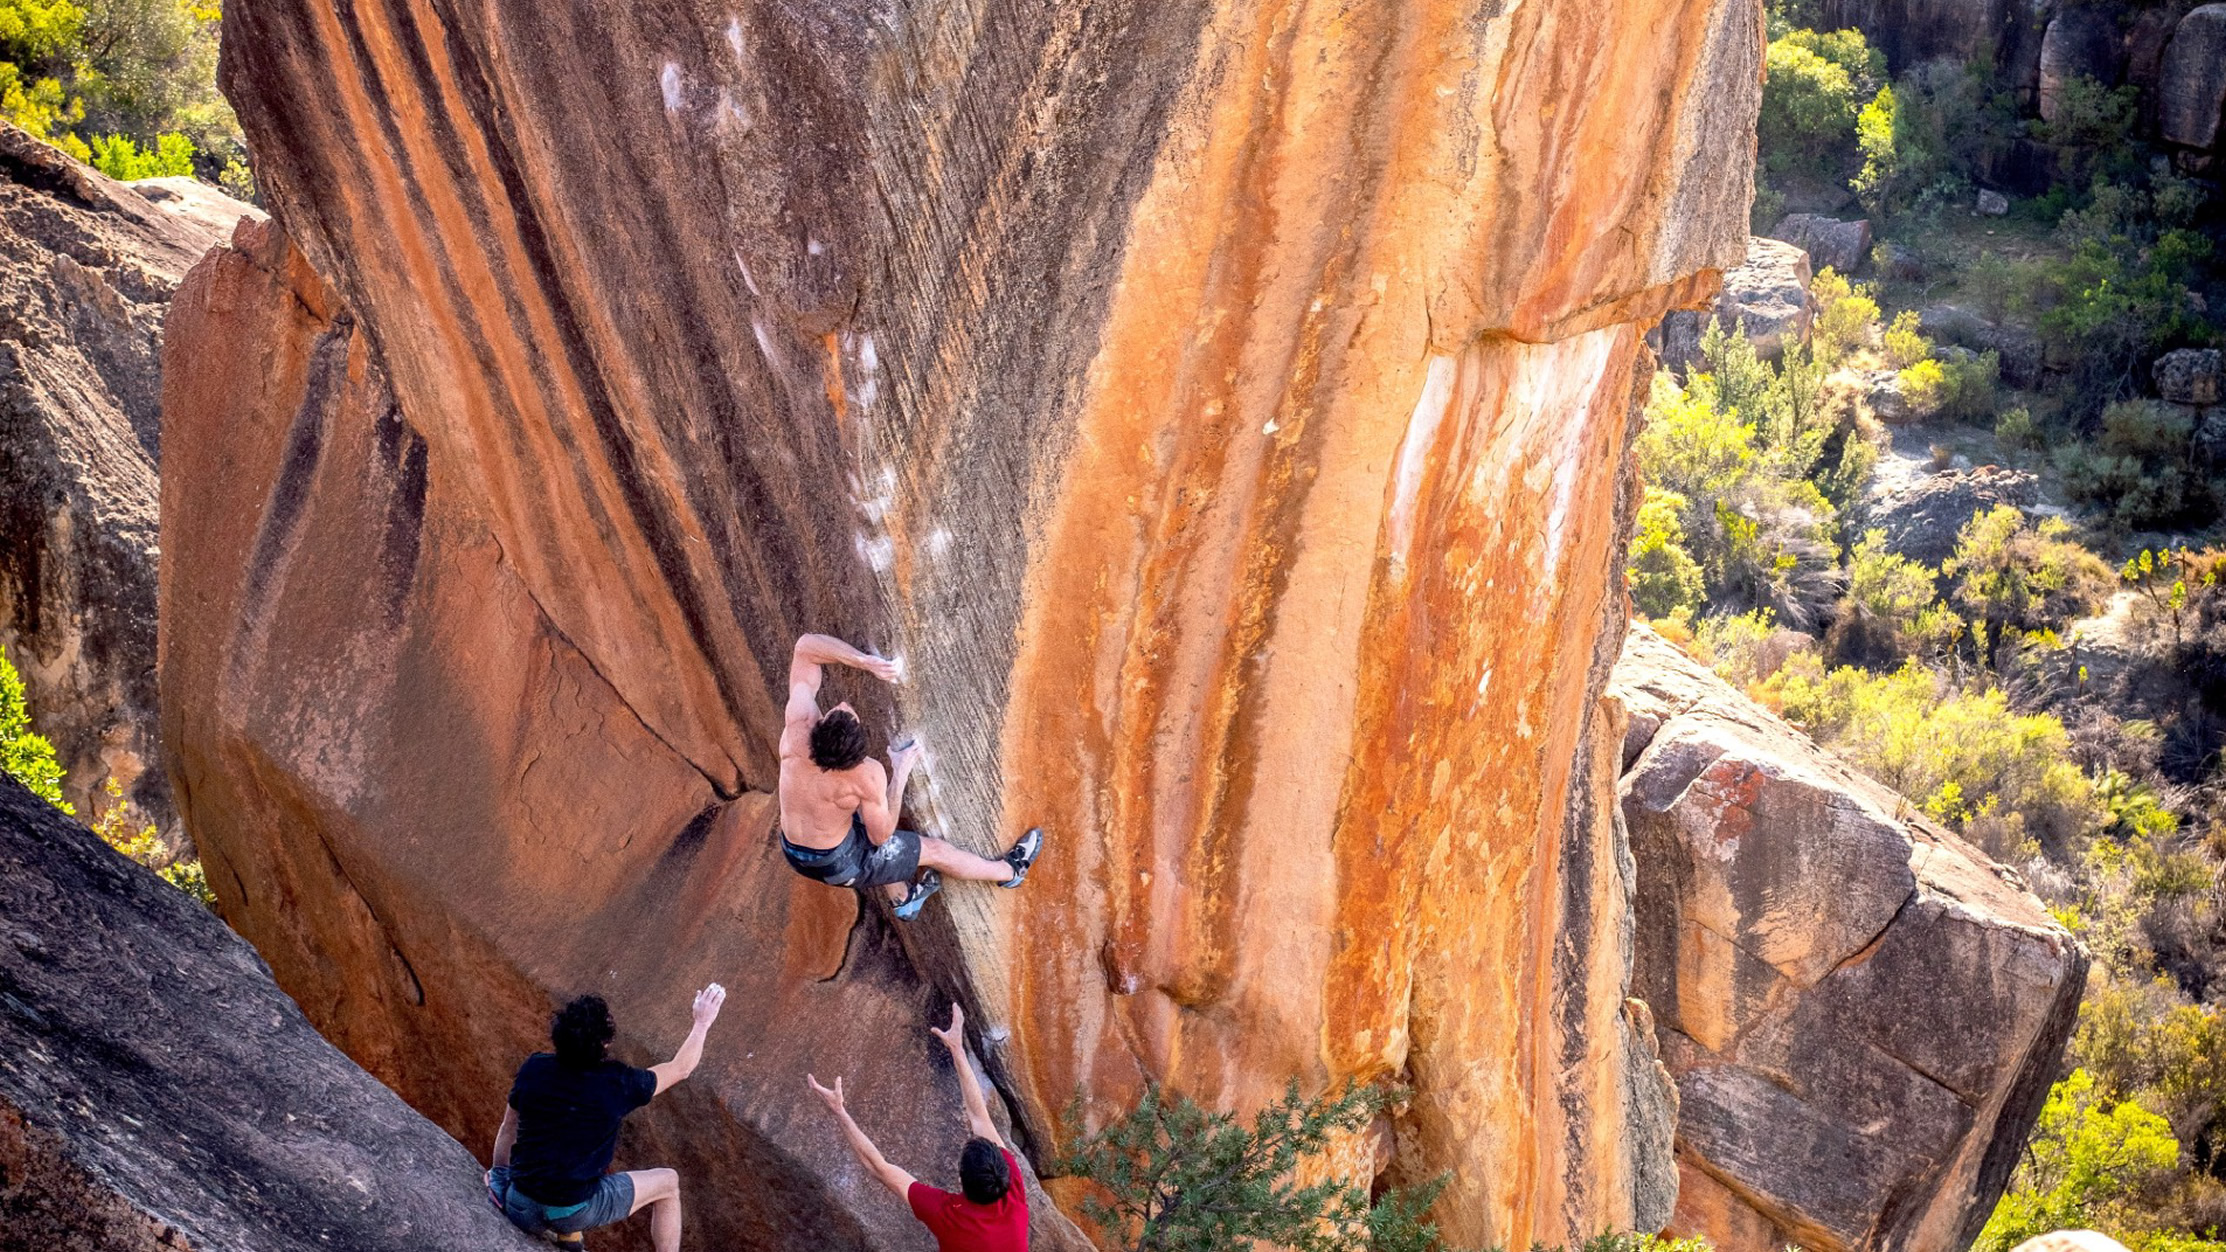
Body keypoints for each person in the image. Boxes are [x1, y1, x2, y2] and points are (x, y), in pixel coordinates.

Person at [778, 633, 1043, 920]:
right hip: (838, 864)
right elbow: (881, 838)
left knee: (856, 812)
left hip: (793, 850)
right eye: (843, 714)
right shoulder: (866, 776)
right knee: (934, 850)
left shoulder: (797, 732)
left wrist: (866, 662)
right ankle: (1010, 871)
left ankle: (903, 898)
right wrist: (899, 773)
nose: (842, 704)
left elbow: (805, 648)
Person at [486, 985, 726, 1251]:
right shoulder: (617, 1084)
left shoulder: (534, 1068)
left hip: (520, 1206)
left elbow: (509, 1127)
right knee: (669, 1183)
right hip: (571, 1211)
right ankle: (569, 1232)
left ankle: (569, 1237)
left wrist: (499, 1176)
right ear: (605, 1043)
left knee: (565, 1150)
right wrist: (702, 1023)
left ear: (558, 1036)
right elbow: (681, 1068)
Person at [807, 1003, 1029, 1251]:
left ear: (961, 1179)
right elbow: (980, 1118)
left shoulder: (948, 1216)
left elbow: (878, 1168)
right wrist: (957, 1049)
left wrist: (840, 1112)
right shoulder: (1013, 1189)